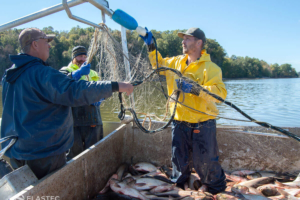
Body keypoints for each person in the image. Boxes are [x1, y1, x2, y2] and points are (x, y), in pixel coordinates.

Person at [0, 28, 133, 179]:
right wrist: (116, 86)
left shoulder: (9, 74)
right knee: (50, 190)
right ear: (35, 45)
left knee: (29, 192)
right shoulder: (41, 72)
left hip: (17, 151)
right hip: (43, 154)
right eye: (46, 41)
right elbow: (75, 91)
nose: (49, 46)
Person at [139, 27, 227, 194]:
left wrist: (195, 89)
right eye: (183, 38)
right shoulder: (176, 62)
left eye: (187, 38)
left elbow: (220, 94)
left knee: (206, 160)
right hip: (179, 120)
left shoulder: (211, 68)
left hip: (203, 122)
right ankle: (180, 188)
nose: (183, 41)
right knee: (179, 159)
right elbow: (157, 65)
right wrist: (151, 46)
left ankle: (216, 189)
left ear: (199, 43)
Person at [59, 46, 104, 160]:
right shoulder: (66, 70)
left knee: (95, 154)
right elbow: (61, 85)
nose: (83, 59)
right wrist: (78, 73)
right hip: (73, 122)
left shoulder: (93, 72)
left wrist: (100, 98)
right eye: (80, 56)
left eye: (85, 56)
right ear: (73, 57)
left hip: (93, 119)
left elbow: (100, 90)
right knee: (74, 157)